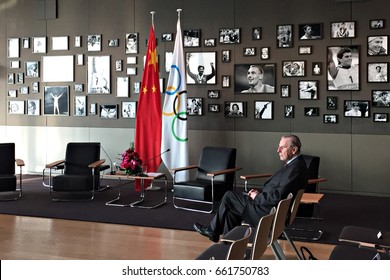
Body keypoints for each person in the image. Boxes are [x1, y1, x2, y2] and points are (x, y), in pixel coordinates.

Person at [193, 135, 309, 242]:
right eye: (278, 147)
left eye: (282, 148)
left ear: (294, 150)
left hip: (267, 214)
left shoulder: (295, 169)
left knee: (229, 196)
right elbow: (279, 192)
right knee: (231, 212)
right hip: (271, 210)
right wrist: (258, 194)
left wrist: (257, 197)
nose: (278, 150)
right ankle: (229, 248)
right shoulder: (295, 165)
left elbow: (278, 196)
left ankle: (213, 231)